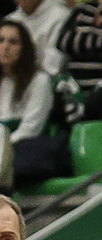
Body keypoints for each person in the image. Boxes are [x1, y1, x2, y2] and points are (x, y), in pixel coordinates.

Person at [0, 21, 63, 185]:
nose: (5, 47)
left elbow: (30, 130)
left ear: (25, 48)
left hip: (22, 152)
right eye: (1, 40)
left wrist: (2, 149)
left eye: (13, 42)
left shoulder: (40, 81)